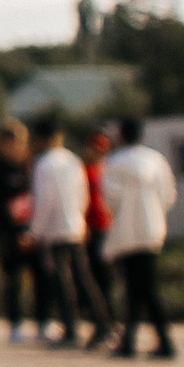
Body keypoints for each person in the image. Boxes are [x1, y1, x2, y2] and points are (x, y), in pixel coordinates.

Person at [27, 119, 110, 348]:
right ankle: (102, 324)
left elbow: (44, 202)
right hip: (75, 226)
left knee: (62, 281)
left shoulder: (44, 164)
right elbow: (84, 195)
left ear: (41, 139)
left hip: (55, 230)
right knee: (83, 277)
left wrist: (35, 232)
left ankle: (71, 329)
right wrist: (81, 221)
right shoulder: (73, 161)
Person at [102, 115, 179, 360]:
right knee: (140, 287)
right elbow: (169, 195)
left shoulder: (115, 162)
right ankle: (134, 341)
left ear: (121, 135)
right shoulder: (156, 160)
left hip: (127, 232)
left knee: (139, 288)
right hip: (152, 230)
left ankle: (155, 342)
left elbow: (109, 199)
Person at [0, 122, 41, 337]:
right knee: (13, 278)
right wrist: (14, 232)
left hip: (33, 230)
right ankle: (15, 325)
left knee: (41, 276)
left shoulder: (30, 165)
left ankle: (42, 322)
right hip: (10, 232)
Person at [83, 129, 117, 345]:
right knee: (95, 280)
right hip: (92, 230)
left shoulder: (110, 171)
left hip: (108, 230)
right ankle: (101, 323)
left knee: (108, 281)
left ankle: (110, 323)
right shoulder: (85, 171)